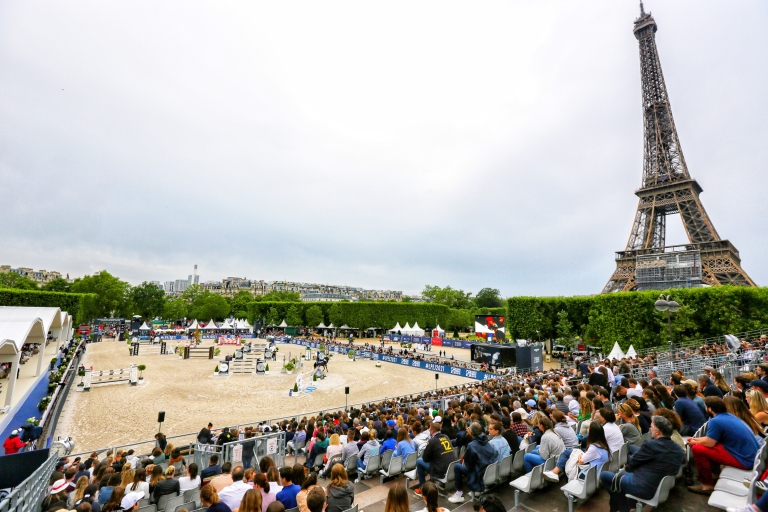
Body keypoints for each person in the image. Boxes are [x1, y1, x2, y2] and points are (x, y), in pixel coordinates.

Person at [599, 416, 685, 512]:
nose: (650, 428)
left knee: (604, 475)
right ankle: (629, 506)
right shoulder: (679, 449)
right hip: (660, 487)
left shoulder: (651, 445)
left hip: (642, 487)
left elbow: (632, 464)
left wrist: (634, 464)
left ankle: (623, 508)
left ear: (657, 432)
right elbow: (679, 461)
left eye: (651, 426)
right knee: (621, 475)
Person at [687, 396, 760, 495]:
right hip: (749, 457)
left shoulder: (715, 421)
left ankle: (706, 485)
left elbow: (709, 442)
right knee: (703, 446)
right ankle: (714, 474)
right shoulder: (729, 416)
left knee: (697, 449)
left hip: (744, 460)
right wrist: (696, 439)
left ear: (710, 409)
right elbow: (712, 440)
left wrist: (695, 442)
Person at [448, 422, 498, 503]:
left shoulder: (471, 445)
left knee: (457, 466)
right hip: (488, 471)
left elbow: (469, 466)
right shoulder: (486, 440)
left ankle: (459, 494)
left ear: (471, 432)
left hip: (478, 473)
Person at [545, 421, 610, 482]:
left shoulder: (594, 447)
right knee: (568, 453)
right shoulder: (604, 445)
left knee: (569, 461)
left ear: (591, 432)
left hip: (587, 476)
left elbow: (580, 462)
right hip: (595, 473)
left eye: (589, 428)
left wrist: (579, 456)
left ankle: (561, 478)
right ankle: (554, 473)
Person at [414, 417, 456, 496]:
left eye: (430, 430)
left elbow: (425, 459)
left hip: (440, 470)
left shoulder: (432, 441)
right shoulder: (446, 437)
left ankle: (422, 488)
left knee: (419, 461)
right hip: (451, 468)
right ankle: (439, 483)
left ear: (432, 431)